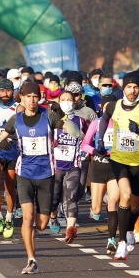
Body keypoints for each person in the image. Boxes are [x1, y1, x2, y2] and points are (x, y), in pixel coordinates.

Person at [0, 81, 81, 274]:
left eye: (35, 97)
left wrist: (68, 122)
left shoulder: (48, 116)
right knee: (27, 217)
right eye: (28, 97)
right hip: (24, 173)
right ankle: (31, 259)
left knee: (41, 224)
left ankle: (33, 235)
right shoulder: (15, 120)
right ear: (21, 98)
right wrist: (2, 144)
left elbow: (73, 131)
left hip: (46, 175)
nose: (32, 100)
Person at [96, 72, 139, 260]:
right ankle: (122, 243)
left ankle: (128, 233)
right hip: (119, 160)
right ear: (123, 88)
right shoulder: (113, 106)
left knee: (135, 206)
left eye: (136, 87)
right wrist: (100, 140)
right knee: (124, 196)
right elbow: (103, 119)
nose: (132, 90)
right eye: (129, 87)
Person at [81, 94, 121, 254]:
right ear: (102, 108)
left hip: (115, 167)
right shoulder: (96, 124)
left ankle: (111, 240)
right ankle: (99, 202)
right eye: (107, 107)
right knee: (96, 210)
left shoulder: (121, 124)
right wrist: (95, 151)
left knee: (113, 204)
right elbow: (85, 144)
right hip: (99, 167)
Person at [0, 79, 23, 238]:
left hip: (12, 150)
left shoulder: (18, 107)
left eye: (8, 91)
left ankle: (9, 216)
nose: (5, 94)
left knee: (9, 186)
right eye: (2, 91)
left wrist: (12, 139)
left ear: (13, 91)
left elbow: (23, 129)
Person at [50, 90, 87, 243]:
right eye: (63, 99)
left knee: (71, 195)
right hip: (55, 165)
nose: (66, 102)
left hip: (73, 164)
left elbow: (85, 138)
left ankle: (70, 229)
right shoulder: (51, 119)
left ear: (74, 102)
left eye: (69, 99)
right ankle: (53, 216)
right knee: (54, 197)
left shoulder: (80, 120)